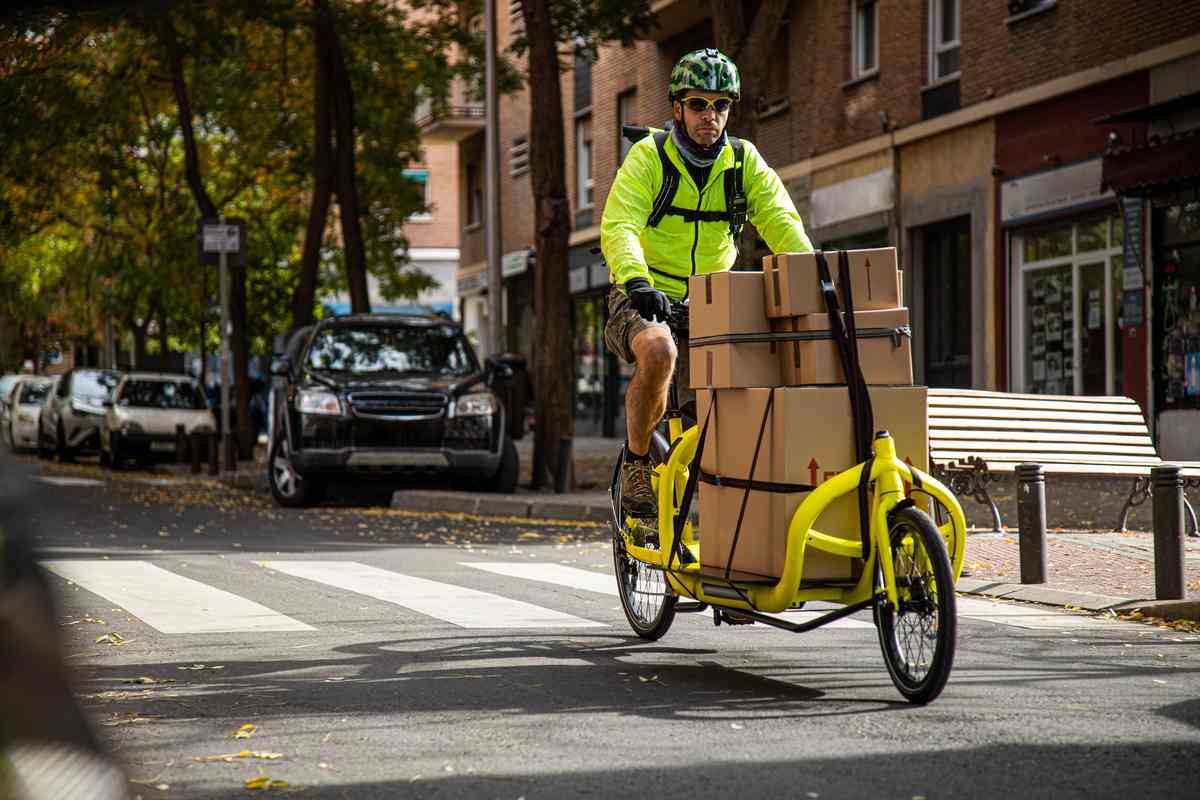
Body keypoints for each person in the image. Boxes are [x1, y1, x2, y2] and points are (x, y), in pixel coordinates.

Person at [600, 48, 814, 517]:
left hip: (712, 298)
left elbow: (782, 222)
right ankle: (637, 463)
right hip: (642, 291)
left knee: (723, 411)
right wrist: (637, 280)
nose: (710, 116)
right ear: (677, 107)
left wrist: (813, 275)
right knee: (660, 351)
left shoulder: (743, 162)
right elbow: (620, 226)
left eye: (720, 105)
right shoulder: (648, 158)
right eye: (699, 104)